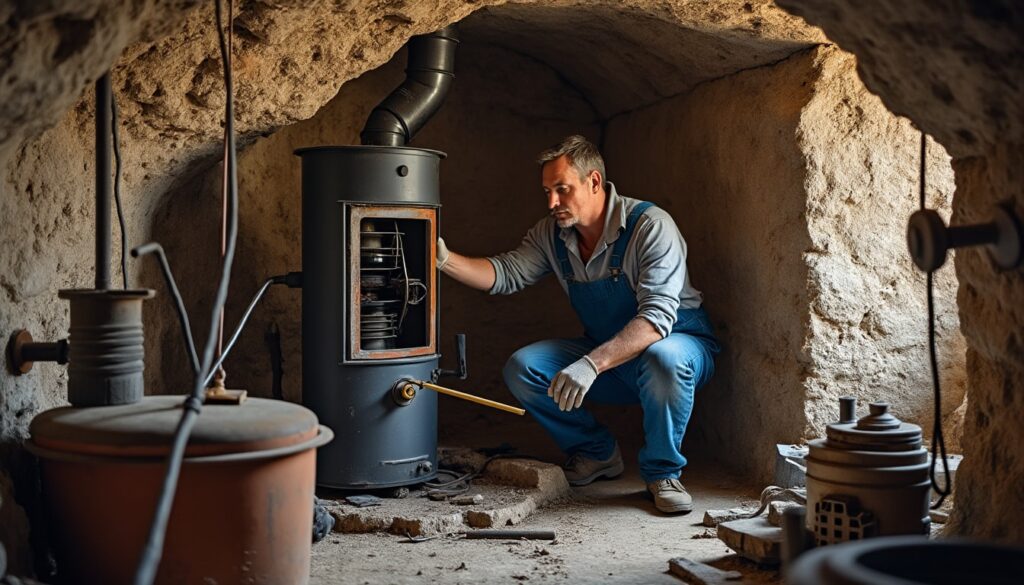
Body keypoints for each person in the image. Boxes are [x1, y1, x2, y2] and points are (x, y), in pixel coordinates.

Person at [436, 135, 719, 514]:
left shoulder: (650, 226)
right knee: (525, 367)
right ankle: (597, 452)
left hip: (677, 346)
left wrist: (590, 364)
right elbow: (505, 273)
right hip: (611, 356)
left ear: (595, 182)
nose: (552, 202)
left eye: (562, 189)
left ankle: (663, 472)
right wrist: (443, 259)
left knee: (663, 357)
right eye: (547, 191)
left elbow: (656, 319)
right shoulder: (552, 235)